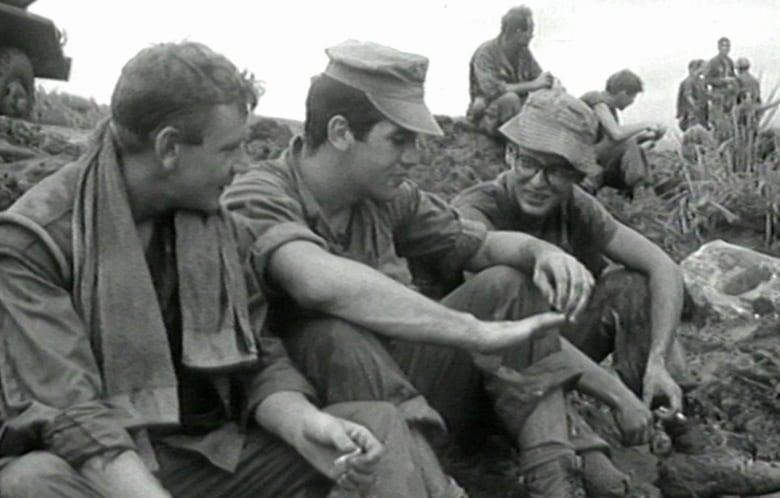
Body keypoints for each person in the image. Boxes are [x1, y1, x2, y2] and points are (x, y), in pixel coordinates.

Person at [0, 41, 465, 498]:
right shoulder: (35, 242)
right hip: (108, 470)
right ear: (168, 148)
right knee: (32, 483)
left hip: (204, 454)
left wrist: (307, 427)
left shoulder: (222, 231)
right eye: (229, 150)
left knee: (376, 427)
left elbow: (258, 359)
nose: (243, 165)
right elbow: (74, 417)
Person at [224, 40, 656, 498]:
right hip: (316, 422)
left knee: (507, 284)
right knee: (334, 333)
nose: (413, 157)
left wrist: (540, 253)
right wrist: (470, 330)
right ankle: (433, 483)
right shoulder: (259, 195)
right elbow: (316, 282)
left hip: (405, 392)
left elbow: (481, 244)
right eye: (399, 139)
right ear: (340, 132)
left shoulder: (386, 196)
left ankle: (554, 482)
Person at [466, 5, 554, 136]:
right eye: (529, 31)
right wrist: (534, 85)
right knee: (510, 99)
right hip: (490, 114)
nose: (532, 36)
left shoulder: (523, 54)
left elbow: (538, 78)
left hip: (517, 112)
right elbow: (494, 90)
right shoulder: (485, 54)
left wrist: (549, 83)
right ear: (518, 32)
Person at [580, 69, 666, 197]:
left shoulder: (611, 112)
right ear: (623, 93)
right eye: (632, 97)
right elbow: (617, 134)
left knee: (634, 146)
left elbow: (615, 144)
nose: (632, 102)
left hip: (592, 155)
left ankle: (642, 189)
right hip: (580, 155)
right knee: (627, 141)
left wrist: (645, 137)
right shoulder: (595, 99)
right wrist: (645, 124)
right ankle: (640, 190)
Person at [676, 59, 708, 132]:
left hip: (702, 114)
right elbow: (688, 96)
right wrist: (696, 107)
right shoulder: (688, 81)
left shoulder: (701, 82)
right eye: (702, 67)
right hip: (691, 115)